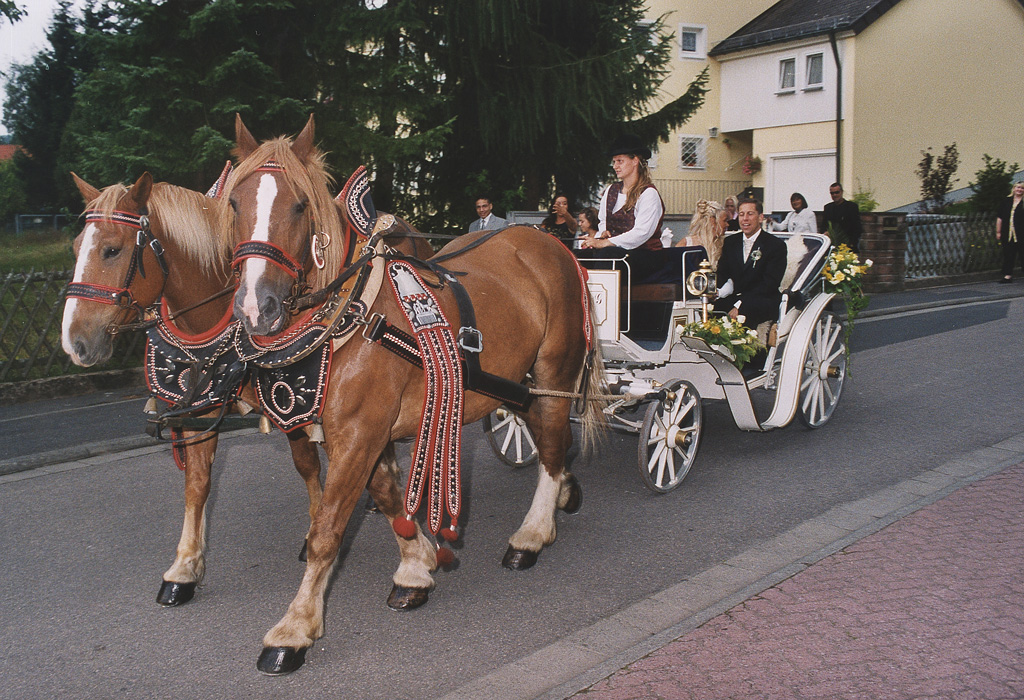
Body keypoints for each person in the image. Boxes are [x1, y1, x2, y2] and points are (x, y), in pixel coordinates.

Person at [579, 134, 666, 285]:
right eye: (614, 162)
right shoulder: (611, 190)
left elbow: (641, 233)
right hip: (617, 253)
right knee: (578, 256)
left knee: (609, 254)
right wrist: (602, 235)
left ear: (635, 161)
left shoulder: (648, 194)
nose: (615, 166)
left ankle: (604, 304)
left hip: (645, 255)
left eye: (620, 161)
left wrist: (607, 243)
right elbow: (603, 222)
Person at [713, 198, 787, 332]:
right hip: (735, 297)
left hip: (762, 299)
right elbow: (723, 273)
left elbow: (769, 283)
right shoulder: (730, 242)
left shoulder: (775, 245)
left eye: (750, 214)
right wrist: (716, 291)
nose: (745, 219)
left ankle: (752, 352)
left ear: (760, 218)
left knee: (745, 314)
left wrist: (741, 305)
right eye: (741, 214)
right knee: (710, 309)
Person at [675, 198, 725, 269]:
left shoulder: (724, 244)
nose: (727, 224)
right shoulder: (686, 243)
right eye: (725, 220)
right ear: (713, 221)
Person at [996, 181, 1024, 283]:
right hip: (1007, 233)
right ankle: (1008, 275)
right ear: (1014, 188)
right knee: (1008, 254)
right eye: (1018, 187)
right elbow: (1000, 217)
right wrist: (998, 231)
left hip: (1021, 233)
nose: (1019, 190)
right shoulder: (1006, 201)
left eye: (1022, 188)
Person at [823, 182, 862, 252]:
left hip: (848, 245)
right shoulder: (828, 208)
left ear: (841, 192)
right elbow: (824, 226)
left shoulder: (851, 207)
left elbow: (857, 227)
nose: (834, 195)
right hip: (832, 246)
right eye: (832, 193)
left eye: (837, 192)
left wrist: (852, 243)